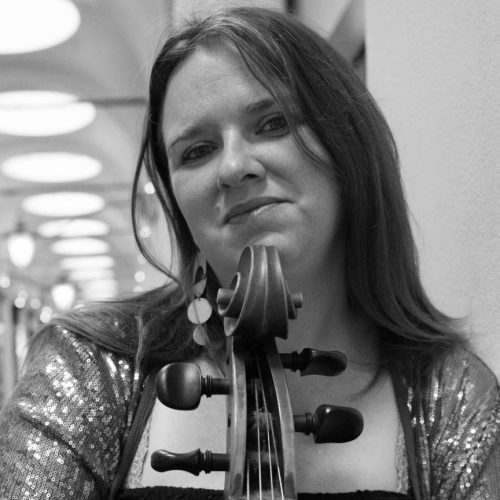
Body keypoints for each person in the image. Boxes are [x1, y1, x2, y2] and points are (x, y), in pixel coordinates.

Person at [0, 7, 498, 500]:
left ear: (349, 145)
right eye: (196, 151)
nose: (234, 167)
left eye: (273, 123)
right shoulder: (91, 368)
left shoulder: (450, 398)